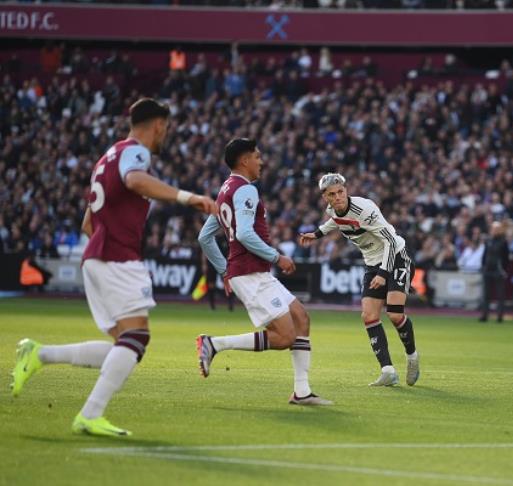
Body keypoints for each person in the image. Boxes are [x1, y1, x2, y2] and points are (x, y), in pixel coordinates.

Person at [11, 98, 218, 436]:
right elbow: (136, 180)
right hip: (116, 255)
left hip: (98, 253)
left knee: (126, 344)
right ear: (157, 126)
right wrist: (187, 197)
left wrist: (109, 240)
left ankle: (40, 354)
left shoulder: (106, 157)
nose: (165, 134)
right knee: (136, 337)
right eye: (165, 128)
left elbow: (87, 223)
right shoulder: (136, 153)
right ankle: (90, 414)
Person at [196, 138, 332, 406]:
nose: (261, 161)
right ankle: (214, 344)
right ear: (244, 160)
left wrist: (225, 271)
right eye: (257, 156)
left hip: (249, 272)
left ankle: (302, 392)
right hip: (250, 273)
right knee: (284, 336)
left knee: (301, 318)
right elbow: (245, 233)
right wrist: (276, 256)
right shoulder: (246, 190)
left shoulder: (224, 191)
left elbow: (204, 237)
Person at [299, 173, 420, 387]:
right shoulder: (333, 209)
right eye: (332, 194)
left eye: (340, 192)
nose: (337, 197)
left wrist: (383, 274)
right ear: (325, 197)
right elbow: (335, 220)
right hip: (372, 262)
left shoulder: (365, 209)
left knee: (394, 313)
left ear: (346, 190)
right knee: (369, 316)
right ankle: (388, 371)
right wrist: (317, 234)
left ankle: (412, 357)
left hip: (396, 257)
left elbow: (391, 242)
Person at [479, 221, 509, 322]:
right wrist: (483, 266)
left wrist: (504, 269)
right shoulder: (488, 241)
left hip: (498, 270)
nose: (494, 231)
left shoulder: (503, 242)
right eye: (493, 228)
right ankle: (484, 315)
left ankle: (499, 316)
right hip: (488, 269)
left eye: (496, 229)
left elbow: (506, 258)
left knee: (500, 295)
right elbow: (485, 255)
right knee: (486, 294)